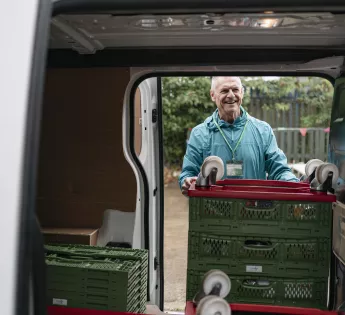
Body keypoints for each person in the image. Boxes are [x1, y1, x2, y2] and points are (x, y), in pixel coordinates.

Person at [179, 76, 299, 196]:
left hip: (255, 209)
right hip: (213, 211)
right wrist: (188, 182)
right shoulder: (200, 134)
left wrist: (294, 183)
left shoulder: (263, 130)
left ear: (242, 92)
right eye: (224, 91)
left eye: (235, 90)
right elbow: (188, 173)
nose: (231, 95)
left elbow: (279, 169)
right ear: (212, 95)